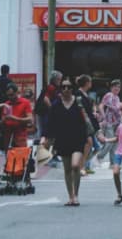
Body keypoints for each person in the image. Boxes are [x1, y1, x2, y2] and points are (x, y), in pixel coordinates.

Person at [42, 77, 88, 206]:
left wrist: (97, 132)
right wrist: (45, 137)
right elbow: (50, 123)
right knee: (67, 169)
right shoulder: (56, 104)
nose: (66, 89)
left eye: (69, 87)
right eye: (63, 87)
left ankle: (76, 195)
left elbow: (88, 117)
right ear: (60, 89)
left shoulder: (79, 102)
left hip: (78, 138)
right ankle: (71, 196)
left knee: (75, 165)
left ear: (72, 89)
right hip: (62, 139)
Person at [75, 74, 104, 175]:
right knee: (88, 143)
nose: (91, 83)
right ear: (87, 83)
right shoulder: (78, 94)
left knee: (90, 144)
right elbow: (82, 111)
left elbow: (88, 111)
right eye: (90, 81)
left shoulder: (85, 94)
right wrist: (95, 127)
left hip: (87, 123)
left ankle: (82, 166)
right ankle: (80, 167)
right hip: (82, 124)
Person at [98, 78, 122, 165]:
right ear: (111, 88)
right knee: (110, 142)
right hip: (109, 122)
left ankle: (113, 163)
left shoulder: (117, 97)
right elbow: (101, 106)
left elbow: (117, 110)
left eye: (119, 87)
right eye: (115, 87)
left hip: (117, 123)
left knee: (115, 143)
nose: (117, 88)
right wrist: (103, 117)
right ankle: (99, 156)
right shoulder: (109, 95)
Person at [1, 82, 33, 149]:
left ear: (16, 93)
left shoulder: (25, 102)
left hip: (20, 134)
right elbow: (2, 120)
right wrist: (3, 120)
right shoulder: (7, 104)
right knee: (8, 154)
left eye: (12, 95)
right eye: (8, 95)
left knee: (20, 153)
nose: (10, 97)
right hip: (8, 134)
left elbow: (30, 119)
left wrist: (15, 118)